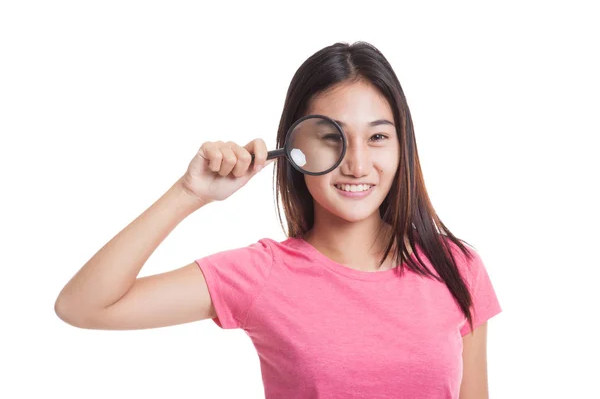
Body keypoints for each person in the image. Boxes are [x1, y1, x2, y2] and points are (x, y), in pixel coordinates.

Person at [55, 41, 502, 399]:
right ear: (295, 148)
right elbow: (83, 306)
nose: (358, 164)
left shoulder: (456, 266)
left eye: (378, 136)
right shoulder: (261, 274)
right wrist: (188, 195)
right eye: (332, 138)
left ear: (403, 146)